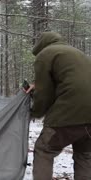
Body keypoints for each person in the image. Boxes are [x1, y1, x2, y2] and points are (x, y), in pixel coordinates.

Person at [26, 32, 91, 180]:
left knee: (44, 149)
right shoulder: (76, 53)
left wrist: (35, 112)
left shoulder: (45, 54)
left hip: (70, 111)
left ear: (41, 45)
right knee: (85, 155)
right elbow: (73, 83)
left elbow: (44, 93)